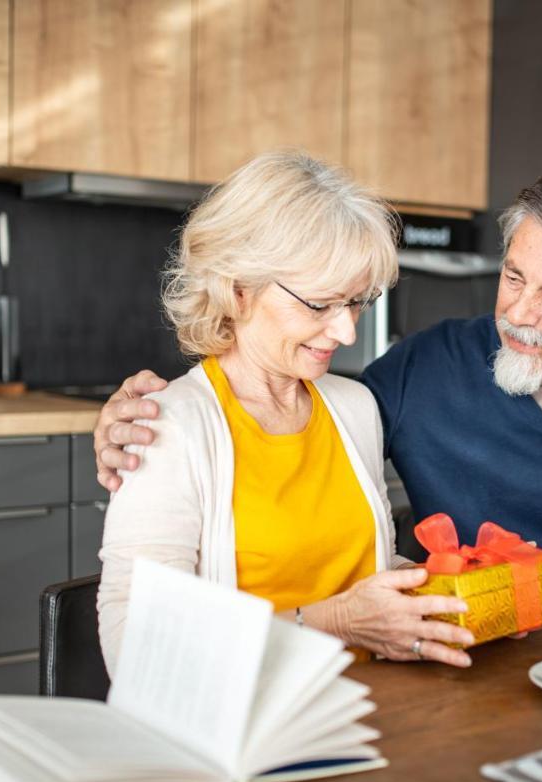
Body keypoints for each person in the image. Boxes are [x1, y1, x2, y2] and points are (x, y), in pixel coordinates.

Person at [96, 164, 542, 618]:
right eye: (513, 277)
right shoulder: (420, 371)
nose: (518, 313)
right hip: (449, 679)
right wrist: (136, 422)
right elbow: (272, 400)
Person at [96, 150, 474, 678]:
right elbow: (137, 646)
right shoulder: (167, 426)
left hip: (372, 707)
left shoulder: (353, 406)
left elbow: (367, 574)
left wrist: (458, 592)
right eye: (319, 305)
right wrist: (334, 623)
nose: (346, 333)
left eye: (357, 302)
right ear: (238, 290)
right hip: (244, 728)